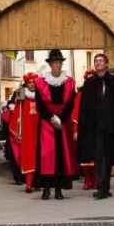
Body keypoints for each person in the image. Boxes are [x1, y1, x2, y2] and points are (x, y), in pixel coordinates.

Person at [76, 52, 114, 200]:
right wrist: (83, 126)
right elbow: (84, 107)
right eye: (96, 61)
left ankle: (105, 187)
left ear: (106, 64)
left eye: (101, 61)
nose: (98, 63)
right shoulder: (89, 83)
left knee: (108, 157)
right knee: (99, 156)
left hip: (111, 126)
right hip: (95, 126)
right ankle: (101, 188)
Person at [33, 50, 78, 200]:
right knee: (46, 156)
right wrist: (51, 117)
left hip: (63, 123)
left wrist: (61, 118)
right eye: (54, 63)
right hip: (47, 123)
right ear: (50, 65)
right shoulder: (40, 82)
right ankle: (46, 189)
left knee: (61, 157)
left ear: (61, 64)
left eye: (59, 62)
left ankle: (59, 189)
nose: (56, 65)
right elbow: (39, 105)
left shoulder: (70, 82)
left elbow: (71, 103)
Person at [14, 73, 39, 192]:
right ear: (26, 84)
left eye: (34, 82)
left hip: (39, 131)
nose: (32, 84)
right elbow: (16, 116)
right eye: (30, 82)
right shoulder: (22, 99)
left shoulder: (41, 97)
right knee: (29, 158)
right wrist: (18, 132)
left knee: (40, 158)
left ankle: (38, 183)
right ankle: (28, 184)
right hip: (27, 133)